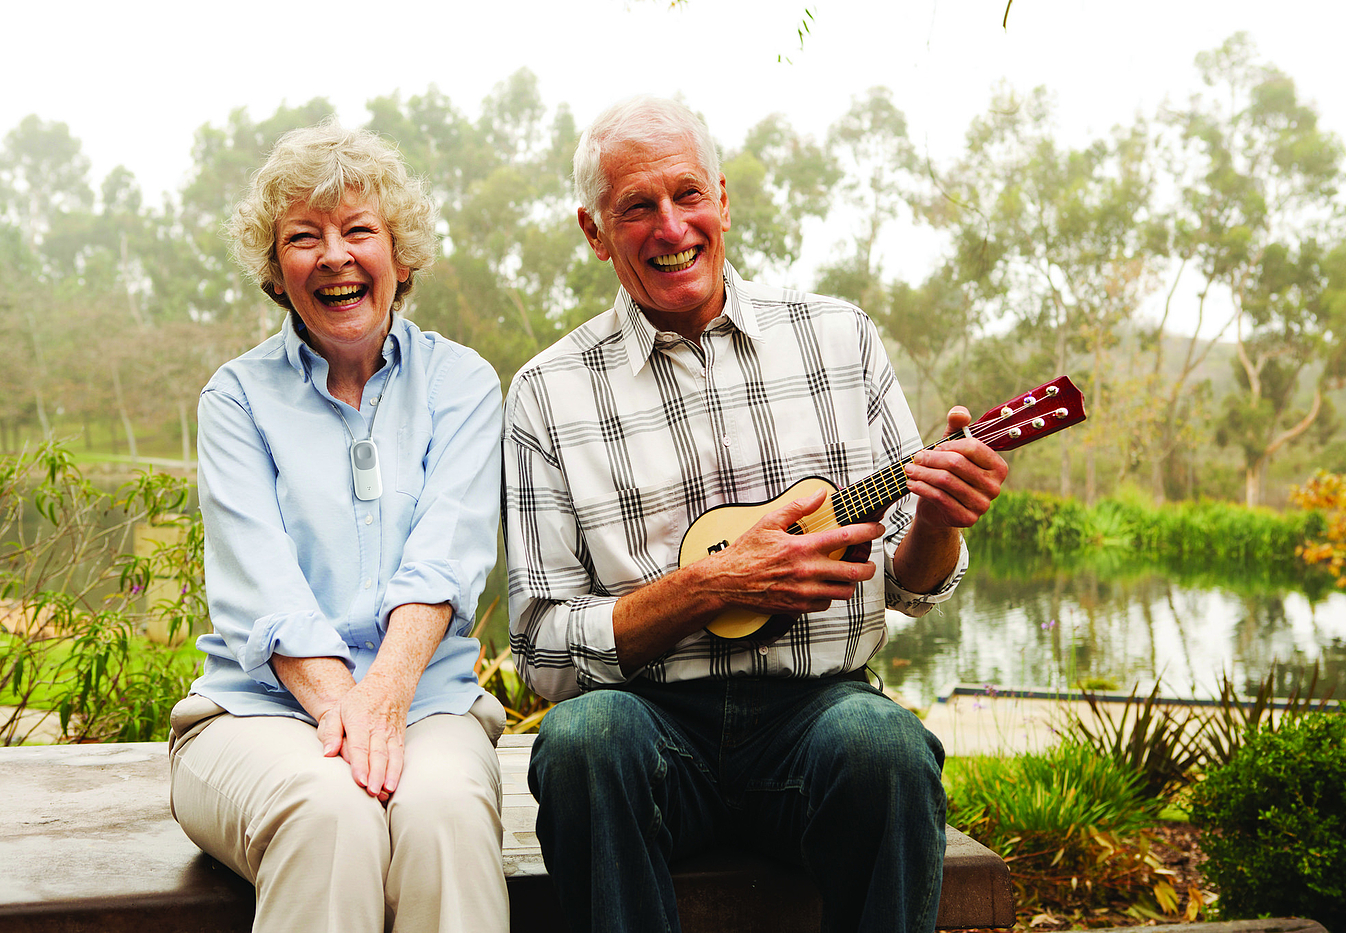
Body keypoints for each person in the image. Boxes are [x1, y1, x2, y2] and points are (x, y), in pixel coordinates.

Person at [503, 96, 1009, 933]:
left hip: (818, 716)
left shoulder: (837, 339)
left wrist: (939, 518)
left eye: (688, 194)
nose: (672, 228)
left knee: (886, 749)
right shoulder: (548, 393)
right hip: (651, 729)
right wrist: (706, 587)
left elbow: (912, 588)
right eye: (637, 207)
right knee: (584, 740)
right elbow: (544, 655)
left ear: (724, 200)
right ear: (595, 232)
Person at [168, 122, 509, 933]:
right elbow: (265, 591)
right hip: (252, 716)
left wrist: (385, 698)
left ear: (399, 252)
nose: (334, 256)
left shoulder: (461, 384)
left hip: (427, 704)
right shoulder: (236, 398)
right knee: (331, 812)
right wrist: (348, 716)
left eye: (359, 231)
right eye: (303, 238)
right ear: (276, 270)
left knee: (444, 820)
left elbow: (445, 564)